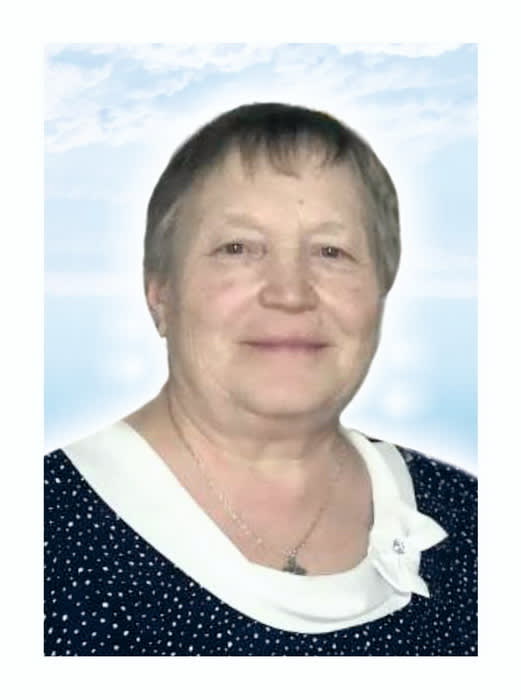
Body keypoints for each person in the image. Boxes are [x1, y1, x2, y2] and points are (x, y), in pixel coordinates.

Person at [44, 102, 477, 656]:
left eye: (332, 252)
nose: (290, 293)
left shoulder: (477, 522)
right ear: (160, 293)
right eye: (238, 249)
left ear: (381, 291)